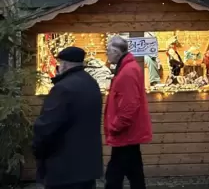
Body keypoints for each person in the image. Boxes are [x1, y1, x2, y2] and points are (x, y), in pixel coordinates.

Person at [33, 47, 103, 189]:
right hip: (87, 166)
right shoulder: (91, 83)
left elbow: (47, 126)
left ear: (64, 64)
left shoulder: (63, 88)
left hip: (64, 167)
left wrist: (37, 148)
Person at [104, 36, 152, 189]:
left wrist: (116, 126)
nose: (107, 55)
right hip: (128, 132)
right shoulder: (127, 68)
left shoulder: (127, 72)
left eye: (108, 51)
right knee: (134, 172)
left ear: (116, 52)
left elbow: (129, 105)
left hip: (125, 132)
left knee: (114, 175)